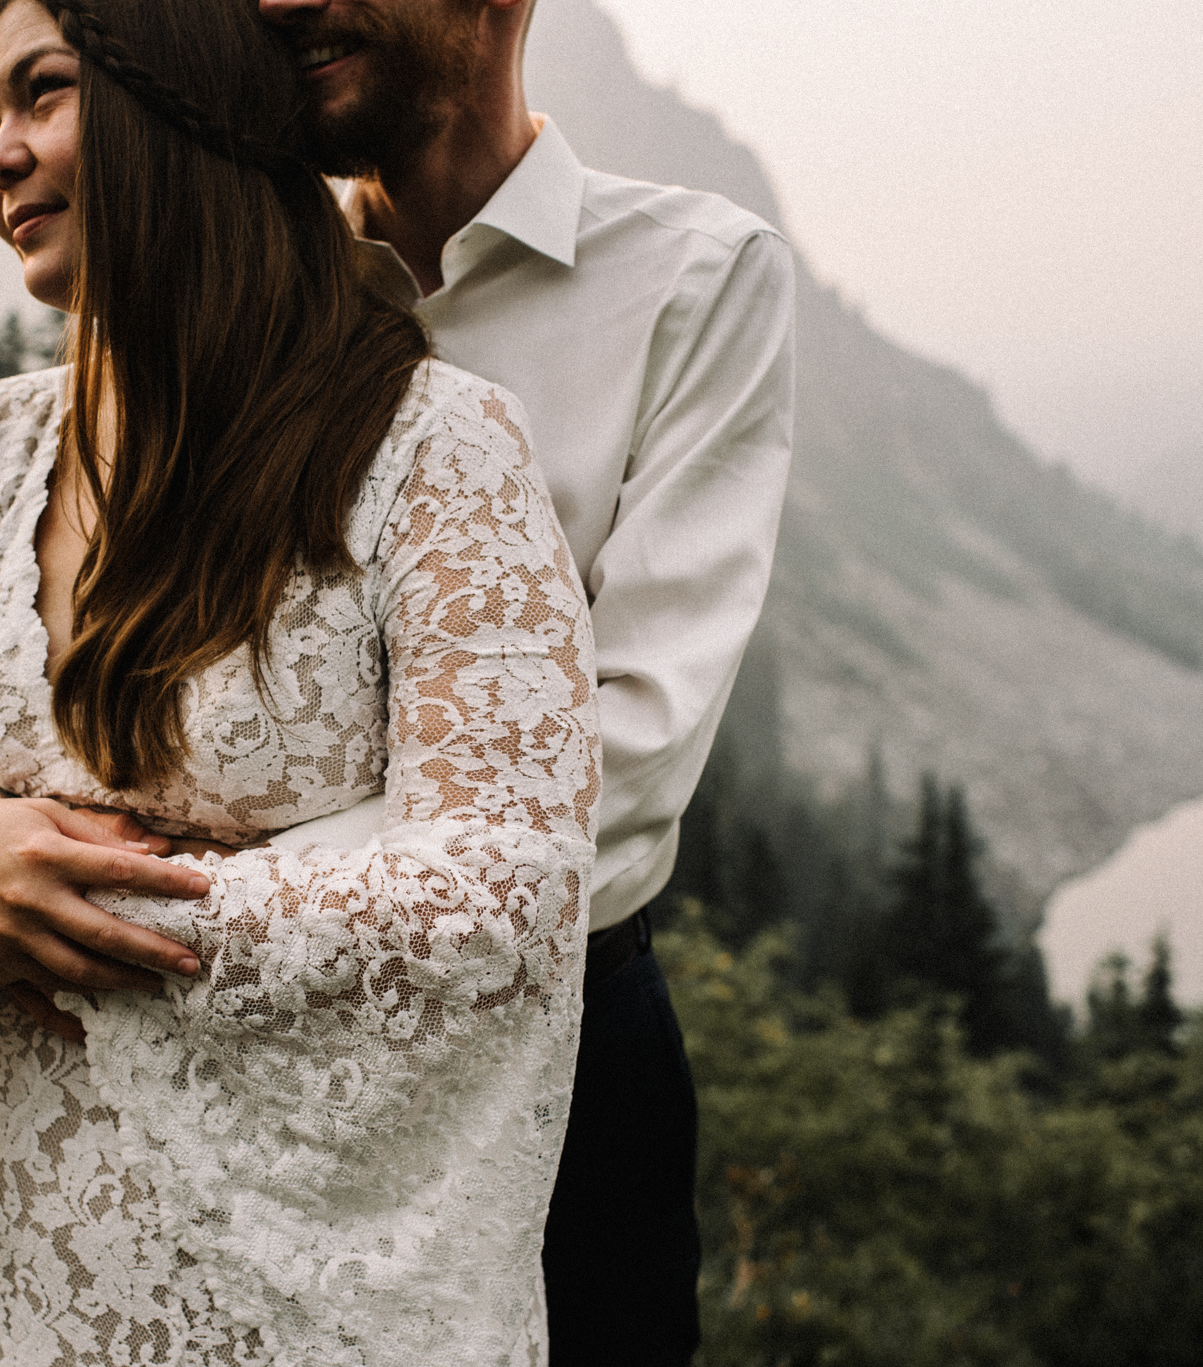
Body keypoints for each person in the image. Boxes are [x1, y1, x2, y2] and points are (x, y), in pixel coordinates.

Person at [0, 0, 600, 1361]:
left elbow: (509, 875)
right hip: (17, 1285)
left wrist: (94, 909)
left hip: (303, 1294)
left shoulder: (432, 444)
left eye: (39, 94)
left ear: (187, 98)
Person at [255, 3, 796, 1363]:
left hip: (555, 1056)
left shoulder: (695, 277)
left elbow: (628, 750)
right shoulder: (254, 292)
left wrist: (205, 904)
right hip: (256, 1063)